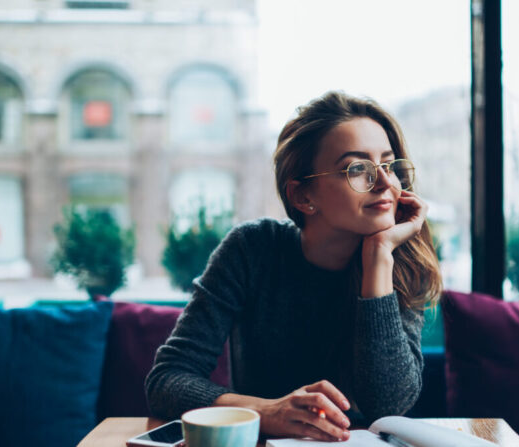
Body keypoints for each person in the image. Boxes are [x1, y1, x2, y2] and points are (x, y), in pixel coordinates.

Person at [145, 91, 442, 442]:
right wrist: (265, 412)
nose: (385, 183)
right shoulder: (251, 250)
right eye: (357, 168)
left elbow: (388, 406)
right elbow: (167, 379)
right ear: (303, 196)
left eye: (389, 165)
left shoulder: (401, 259)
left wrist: (379, 256)